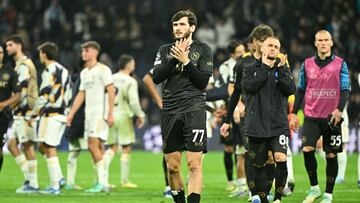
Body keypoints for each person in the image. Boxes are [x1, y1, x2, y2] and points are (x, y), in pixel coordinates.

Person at [152, 10, 213, 203]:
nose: (177, 29)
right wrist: (174, 59)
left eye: (182, 25)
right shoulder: (164, 50)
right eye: (175, 25)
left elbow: (202, 81)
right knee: (172, 167)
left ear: (192, 27)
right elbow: (156, 77)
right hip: (170, 110)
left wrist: (186, 61)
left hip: (194, 109)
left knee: (194, 165)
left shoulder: (203, 50)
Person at [290, 30, 351, 203]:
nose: (323, 43)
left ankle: (328, 195)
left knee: (331, 155)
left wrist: (339, 110)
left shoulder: (341, 64)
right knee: (307, 150)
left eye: (326, 40)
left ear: (331, 43)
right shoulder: (307, 64)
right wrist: (294, 113)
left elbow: (345, 89)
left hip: (332, 118)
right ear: (315, 43)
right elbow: (301, 89)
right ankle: (314, 188)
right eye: (320, 40)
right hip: (311, 115)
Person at [220, 24, 276, 202]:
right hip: (250, 118)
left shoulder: (278, 61)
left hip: (273, 118)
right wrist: (229, 118)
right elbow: (235, 92)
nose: (265, 44)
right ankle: (255, 196)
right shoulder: (242, 64)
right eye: (261, 41)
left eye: (268, 41)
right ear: (253, 43)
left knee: (271, 157)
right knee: (251, 156)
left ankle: (266, 191)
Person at [67, 41, 115, 193]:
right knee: (98, 147)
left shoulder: (103, 70)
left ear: (95, 52)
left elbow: (111, 91)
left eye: (86, 51)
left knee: (92, 146)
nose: (83, 54)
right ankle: (103, 182)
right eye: (83, 51)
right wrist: (71, 114)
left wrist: (110, 113)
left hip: (99, 115)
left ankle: (101, 183)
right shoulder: (84, 73)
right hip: (89, 115)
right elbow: (81, 95)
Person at [32, 42, 69, 194]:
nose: (40, 56)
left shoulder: (48, 71)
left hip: (51, 114)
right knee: (42, 146)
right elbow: (68, 93)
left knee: (49, 147)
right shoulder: (64, 70)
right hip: (61, 114)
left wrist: (34, 112)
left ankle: (54, 186)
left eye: (40, 53)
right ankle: (59, 177)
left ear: (45, 54)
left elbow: (44, 95)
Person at [104, 54, 145, 189]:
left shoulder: (111, 78)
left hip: (110, 114)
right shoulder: (130, 81)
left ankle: (102, 178)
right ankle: (124, 180)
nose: (134, 66)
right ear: (128, 65)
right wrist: (140, 114)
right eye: (133, 64)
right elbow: (133, 101)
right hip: (123, 114)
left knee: (112, 147)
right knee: (126, 147)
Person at [4, 35, 39, 193]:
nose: (7, 49)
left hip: (25, 111)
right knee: (12, 145)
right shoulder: (19, 65)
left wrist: (10, 104)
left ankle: (33, 183)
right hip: (19, 111)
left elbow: (23, 91)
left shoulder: (24, 65)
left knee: (27, 146)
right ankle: (28, 178)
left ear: (18, 46)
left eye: (10, 45)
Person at [143, 70, 172, 198]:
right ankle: (169, 186)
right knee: (170, 150)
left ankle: (191, 184)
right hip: (170, 112)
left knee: (192, 152)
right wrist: (159, 100)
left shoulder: (194, 59)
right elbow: (147, 78)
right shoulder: (165, 60)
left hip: (191, 111)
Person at [64, 71, 86, 191]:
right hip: (81, 120)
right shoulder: (84, 80)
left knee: (74, 151)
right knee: (96, 149)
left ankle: (69, 182)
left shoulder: (71, 86)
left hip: (73, 119)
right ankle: (100, 182)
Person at [0, 45, 21, 173]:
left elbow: (18, 95)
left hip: (1, 116)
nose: (0, 55)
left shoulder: (10, 72)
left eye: (1, 52)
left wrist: (3, 104)